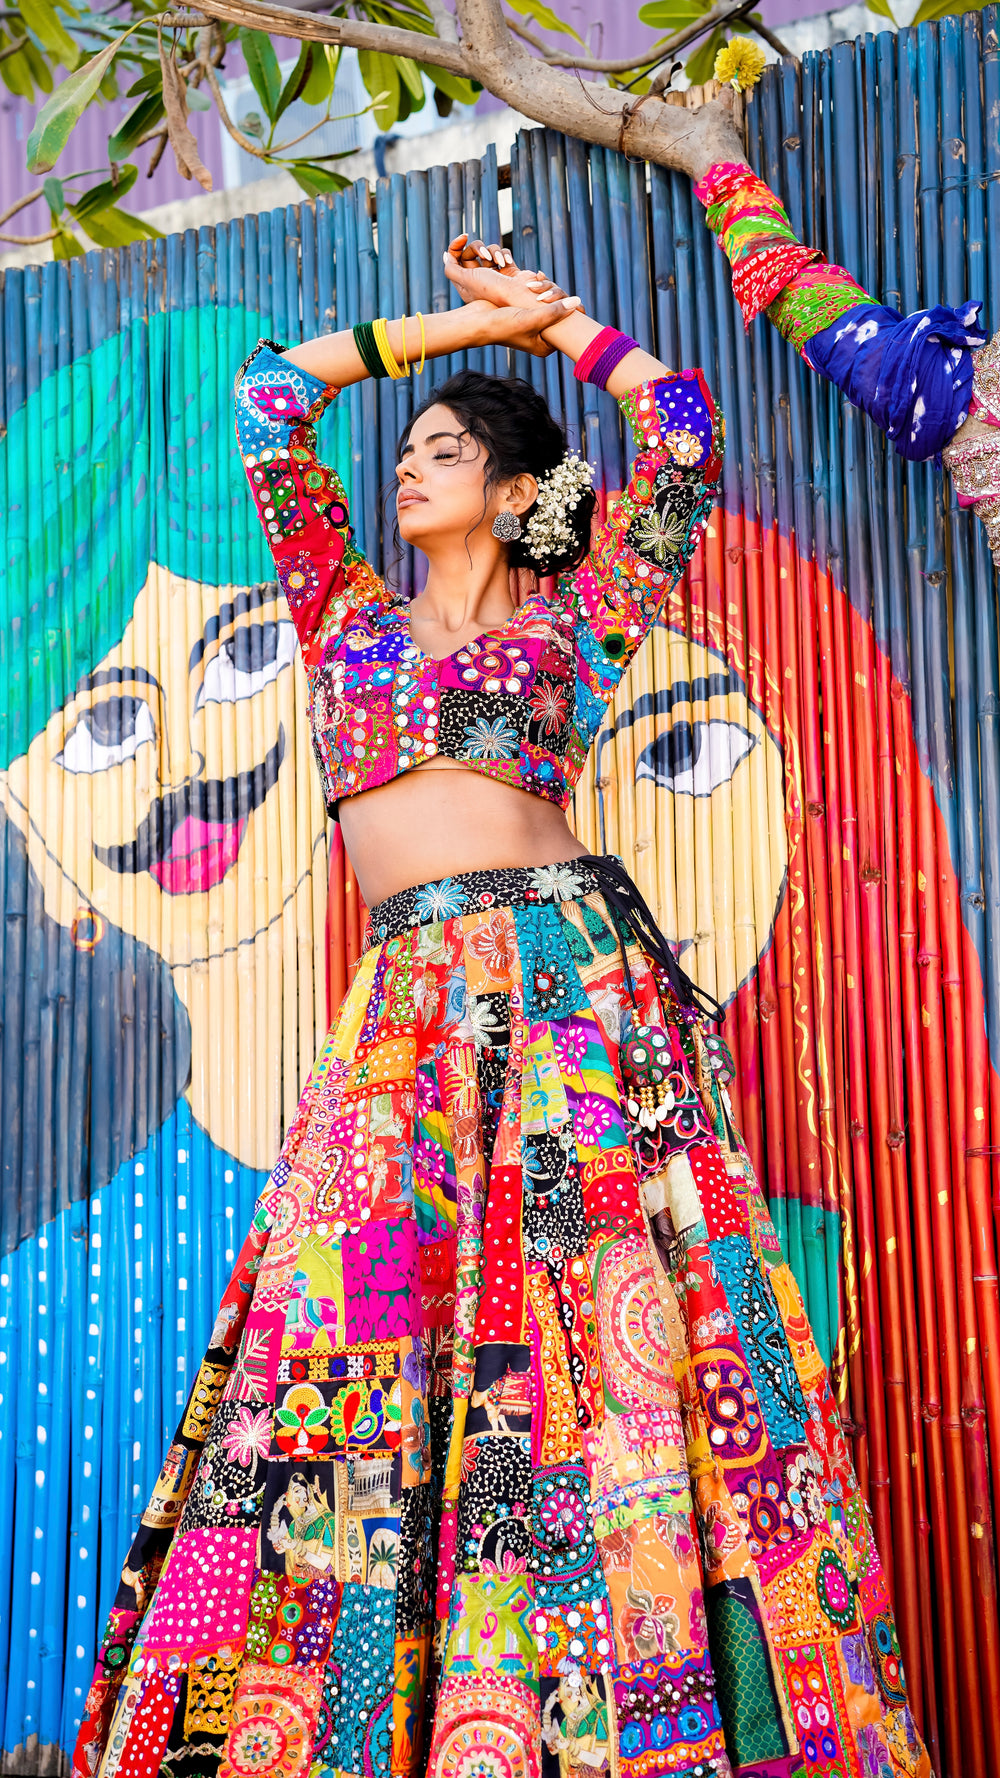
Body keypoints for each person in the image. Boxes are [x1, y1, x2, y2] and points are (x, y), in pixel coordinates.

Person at [74, 222, 931, 1778]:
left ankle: (623, 1721)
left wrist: (562, 334)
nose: (411, 467)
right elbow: (270, 400)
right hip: (407, 1017)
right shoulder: (340, 612)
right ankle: (334, 1732)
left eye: (448, 450)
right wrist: (444, 335)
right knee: (348, 1350)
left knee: (596, 1354)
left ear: (518, 486)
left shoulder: (576, 621)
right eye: (407, 450)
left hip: (567, 1003)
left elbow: (682, 437)